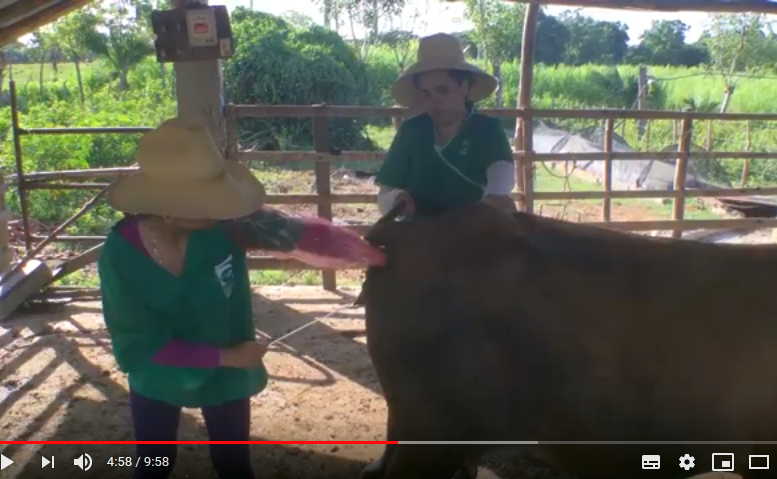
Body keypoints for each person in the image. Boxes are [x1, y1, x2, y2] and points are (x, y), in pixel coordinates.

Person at [98, 118, 383, 479]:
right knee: (154, 464)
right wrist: (226, 356)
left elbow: (292, 232)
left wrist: (363, 251)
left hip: (226, 372)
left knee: (233, 463)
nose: (219, 207)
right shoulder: (121, 254)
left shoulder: (225, 226)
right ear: (167, 207)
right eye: (206, 200)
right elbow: (137, 343)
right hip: (163, 372)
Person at [376, 33, 517, 217]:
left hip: (477, 230)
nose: (434, 102)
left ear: (465, 87)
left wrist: (492, 203)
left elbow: (500, 185)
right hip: (420, 234)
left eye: (442, 90)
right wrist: (396, 199)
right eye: (426, 93)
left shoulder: (488, 129)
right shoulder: (411, 131)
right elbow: (385, 193)